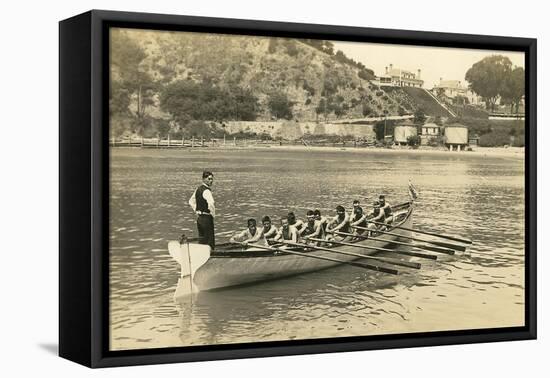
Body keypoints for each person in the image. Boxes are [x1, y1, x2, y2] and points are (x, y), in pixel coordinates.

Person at [188, 171, 216, 249]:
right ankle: (211, 255)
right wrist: (213, 215)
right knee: (209, 241)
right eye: (209, 179)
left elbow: (191, 201)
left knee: (202, 239)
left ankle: (202, 255)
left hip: (199, 218)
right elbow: (211, 203)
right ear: (203, 179)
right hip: (207, 218)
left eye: (212, 179)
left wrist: (197, 211)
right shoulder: (207, 191)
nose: (211, 181)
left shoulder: (198, 189)